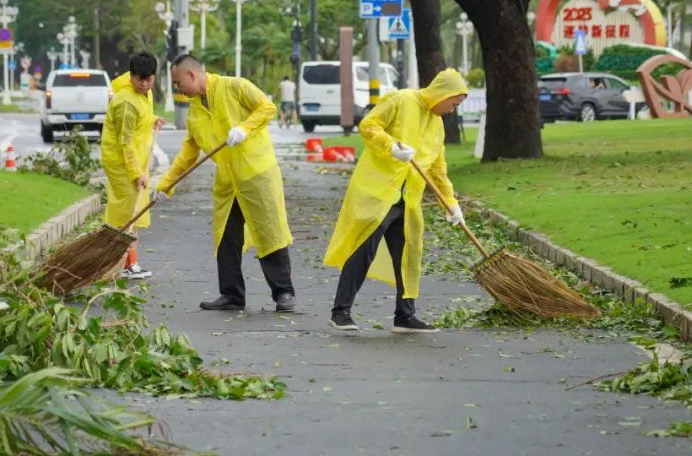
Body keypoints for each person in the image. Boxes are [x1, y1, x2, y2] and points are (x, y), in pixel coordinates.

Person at [323, 68, 468, 333]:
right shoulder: (401, 100)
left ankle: (405, 316)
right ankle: (340, 312)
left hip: (407, 199)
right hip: (378, 192)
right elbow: (368, 125)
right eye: (453, 103)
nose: (452, 110)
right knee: (362, 250)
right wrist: (391, 146)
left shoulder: (437, 125)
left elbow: (437, 167)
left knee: (408, 254)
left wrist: (451, 203)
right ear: (442, 93)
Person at [155, 54, 296, 312]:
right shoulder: (195, 112)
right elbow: (188, 153)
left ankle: (283, 293)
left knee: (269, 231)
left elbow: (266, 107)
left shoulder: (234, 86)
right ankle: (231, 295)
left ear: (191, 75)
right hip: (228, 182)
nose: (179, 89)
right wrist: (165, 184)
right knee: (226, 238)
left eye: (178, 83)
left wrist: (244, 128)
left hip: (256, 174)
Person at [100, 52, 165, 280]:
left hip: (137, 160)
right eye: (141, 80)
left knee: (134, 213)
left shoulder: (142, 94)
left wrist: (153, 119)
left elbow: (142, 117)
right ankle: (116, 264)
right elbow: (125, 142)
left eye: (150, 80)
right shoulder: (126, 102)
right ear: (131, 77)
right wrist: (136, 174)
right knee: (125, 214)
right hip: (123, 163)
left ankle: (129, 264)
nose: (145, 84)